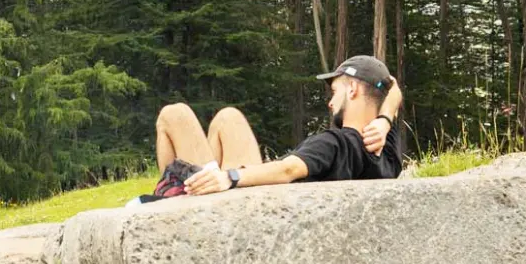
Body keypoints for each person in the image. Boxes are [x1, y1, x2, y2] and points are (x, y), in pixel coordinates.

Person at [154, 55, 405, 196]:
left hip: (247, 197)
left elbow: (289, 169)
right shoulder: (387, 156)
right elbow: (392, 89)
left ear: (352, 89)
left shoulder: (335, 143)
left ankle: (174, 201)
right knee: (228, 118)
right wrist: (383, 121)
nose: (330, 102)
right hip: (257, 190)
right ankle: (199, 184)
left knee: (173, 114)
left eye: (334, 91)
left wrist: (229, 177)